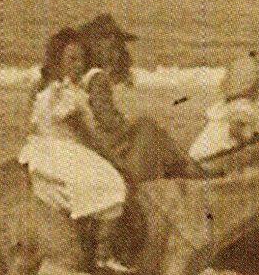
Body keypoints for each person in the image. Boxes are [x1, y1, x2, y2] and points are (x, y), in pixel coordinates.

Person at [17, 27, 130, 273]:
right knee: (114, 184)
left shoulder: (45, 90)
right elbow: (88, 137)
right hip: (62, 151)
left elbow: (30, 124)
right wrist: (114, 160)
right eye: (71, 59)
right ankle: (103, 253)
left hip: (39, 148)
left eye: (80, 59)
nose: (77, 65)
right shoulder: (69, 98)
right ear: (59, 60)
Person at [75, 12, 199, 183]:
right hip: (108, 155)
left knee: (150, 131)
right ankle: (190, 168)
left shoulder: (83, 77)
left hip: (98, 151)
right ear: (94, 48)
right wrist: (129, 126)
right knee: (147, 126)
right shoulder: (97, 78)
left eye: (117, 48)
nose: (116, 54)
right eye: (111, 48)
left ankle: (185, 165)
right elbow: (108, 123)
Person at [189, 52, 259, 166]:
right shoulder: (244, 107)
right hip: (215, 156)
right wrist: (248, 141)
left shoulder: (222, 106)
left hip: (198, 153)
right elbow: (235, 131)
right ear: (253, 87)